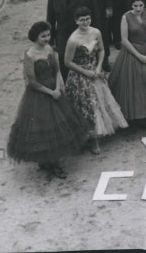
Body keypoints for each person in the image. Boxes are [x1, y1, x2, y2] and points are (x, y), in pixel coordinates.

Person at [6, 21, 88, 179]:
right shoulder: (29, 55)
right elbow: (31, 81)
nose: (47, 38)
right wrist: (50, 92)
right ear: (35, 37)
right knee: (43, 130)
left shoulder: (50, 48)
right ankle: (47, 163)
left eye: (48, 35)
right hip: (40, 94)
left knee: (58, 129)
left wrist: (57, 88)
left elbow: (57, 70)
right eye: (43, 36)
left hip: (54, 90)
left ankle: (54, 162)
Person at [63, 6, 128, 155]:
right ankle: (93, 140)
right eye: (82, 20)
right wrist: (86, 72)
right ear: (76, 21)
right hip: (80, 76)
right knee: (88, 106)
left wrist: (98, 67)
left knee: (100, 102)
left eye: (87, 19)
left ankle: (101, 131)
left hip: (95, 71)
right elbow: (67, 62)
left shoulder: (96, 32)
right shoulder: (73, 39)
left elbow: (102, 50)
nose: (85, 22)